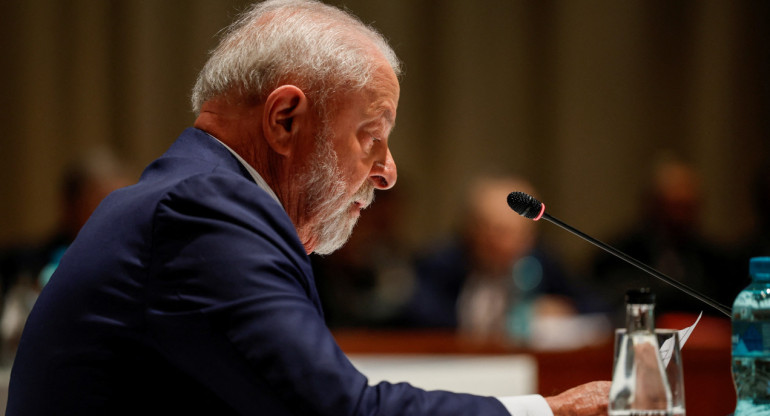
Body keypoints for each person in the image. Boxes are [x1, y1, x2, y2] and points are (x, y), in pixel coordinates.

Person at [7, 1, 609, 415]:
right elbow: (337, 410)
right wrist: (549, 410)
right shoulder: (204, 210)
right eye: (370, 134)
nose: (388, 171)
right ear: (285, 119)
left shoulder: (193, 198)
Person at [401, 175, 609, 348]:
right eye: (494, 231)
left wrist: (565, 309)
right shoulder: (439, 265)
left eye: (515, 233)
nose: (503, 243)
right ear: (471, 230)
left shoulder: (543, 262)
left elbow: (600, 309)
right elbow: (418, 319)